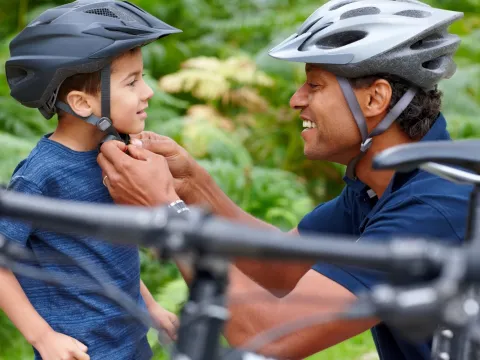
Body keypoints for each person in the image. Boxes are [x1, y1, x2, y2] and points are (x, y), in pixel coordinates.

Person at [97, 0, 471, 359]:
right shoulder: (384, 187)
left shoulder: (435, 206)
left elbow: (267, 337)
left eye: (315, 85)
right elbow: (282, 268)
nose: (296, 100)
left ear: (375, 99)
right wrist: (192, 185)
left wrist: (169, 212)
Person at [0, 1, 182, 359]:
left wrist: (152, 310)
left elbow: (107, 258)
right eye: (132, 82)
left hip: (132, 346)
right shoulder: (40, 176)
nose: (148, 92)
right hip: (83, 353)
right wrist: (43, 338)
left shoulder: (113, 159)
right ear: (82, 103)